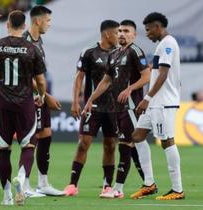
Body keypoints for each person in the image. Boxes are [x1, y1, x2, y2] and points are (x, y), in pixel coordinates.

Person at [0, 5, 47, 206]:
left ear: (7, 26)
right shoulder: (32, 49)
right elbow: (40, 81)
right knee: (28, 144)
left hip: (2, 104)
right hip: (24, 104)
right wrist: (40, 95)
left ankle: (6, 196)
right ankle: (21, 178)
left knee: (4, 150)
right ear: (24, 27)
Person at [81, 20, 150, 198]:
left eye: (126, 31)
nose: (121, 34)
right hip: (117, 107)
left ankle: (119, 188)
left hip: (132, 106)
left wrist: (130, 89)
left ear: (134, 35)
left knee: (127, 145)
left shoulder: (135, 51)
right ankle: (147, 183)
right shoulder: (115, 54)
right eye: (119, 30)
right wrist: (90, 99)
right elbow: (106, 81)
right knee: (128, 145)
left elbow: (147, 75)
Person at [130, 12, 184, 200]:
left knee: (167, 141)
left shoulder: (168, 43)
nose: (147, 34)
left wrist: (147, 97)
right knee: (137, 136)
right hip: (154, 103)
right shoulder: (163, 44)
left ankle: (177, 190)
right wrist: (149, 99)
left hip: (164, 103)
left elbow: (163, 74)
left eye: (148, 30)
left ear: (157, 26)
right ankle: (149, 184)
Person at [64, 20, 119, 197]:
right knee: (83, 144)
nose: (119, 36)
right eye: (117, 33)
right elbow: (79, 77)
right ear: (107, 34)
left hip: (113, 108)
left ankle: (107, 186)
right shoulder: (89, 53)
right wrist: (75, 101)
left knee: (110, 145)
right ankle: (72, 184)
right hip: (92, 107)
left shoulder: (121, 54)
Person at [22, 5, 63, 197]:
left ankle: (43, 183)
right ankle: (24, 185)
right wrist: (46, 97)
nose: (49, 24)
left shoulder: (39, 41)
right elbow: (24, 75)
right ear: (37, 21)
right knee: (32, 139)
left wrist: (44, 95)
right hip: (29, 98)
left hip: (40, 96)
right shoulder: (24, 41)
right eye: (47, 20)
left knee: (46, 134)